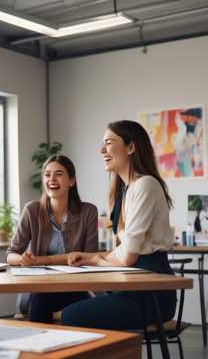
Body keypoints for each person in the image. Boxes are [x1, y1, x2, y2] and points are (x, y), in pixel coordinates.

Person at [61, 120, 177, 330]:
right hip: (130, 284)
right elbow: (122, 251)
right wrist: (89, 257)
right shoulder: (125, 190)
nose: (101, 149)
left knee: (70, 316)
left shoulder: (145, 185)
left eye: (108, 142)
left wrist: (97, 259)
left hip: (151, 293)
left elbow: (127, 256)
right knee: (62, 308)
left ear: (131, 147)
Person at [6, 155, 98, 323]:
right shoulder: (32, 210)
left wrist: (42, 260)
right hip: (38, 288)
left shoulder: (88, 212)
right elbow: (10, 254)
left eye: (59, 174)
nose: (52, 179)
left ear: (72, 181)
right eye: (47, 175)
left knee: (91, 312)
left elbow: (89, 257)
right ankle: (39, 346)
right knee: (42, 296)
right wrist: (22, 259)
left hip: (74, 287)